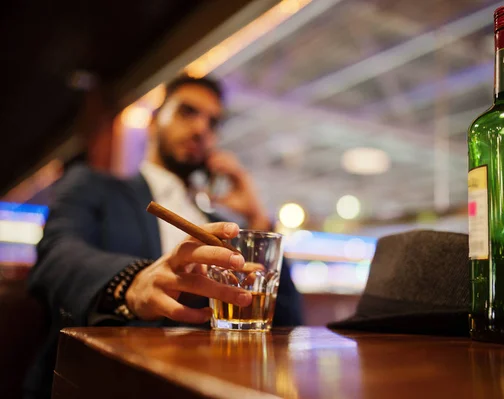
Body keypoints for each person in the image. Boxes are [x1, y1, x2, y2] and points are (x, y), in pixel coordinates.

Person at [25, 74, 303, 399]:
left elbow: (290, 320)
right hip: (104, 383)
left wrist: (257, 218)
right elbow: (56, 256)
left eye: (212, 123)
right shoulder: (92, 185)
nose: (201, 129)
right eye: (187, 112)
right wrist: (132, 281)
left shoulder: (220, 225)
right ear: (154, 121)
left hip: (217, 383)